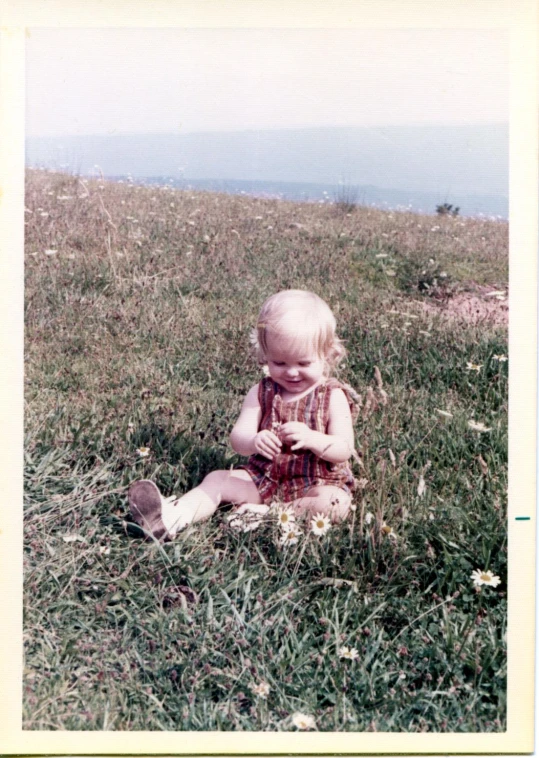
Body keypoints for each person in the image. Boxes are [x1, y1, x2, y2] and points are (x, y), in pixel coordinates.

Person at [128, 289, 360, 541]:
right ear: (265, 355)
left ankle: (269, 514)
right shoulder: (262, 391)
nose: (292, 373)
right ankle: (173, 517)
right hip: (265, 479)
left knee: (337, 504)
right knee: (217, 479)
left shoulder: (332, 396)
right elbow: (238, 439)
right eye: (280, 363)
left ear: (326, 355)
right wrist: (254, 440)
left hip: (315, 483)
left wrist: (313, 438)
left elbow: (343, 448)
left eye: (304, 364)